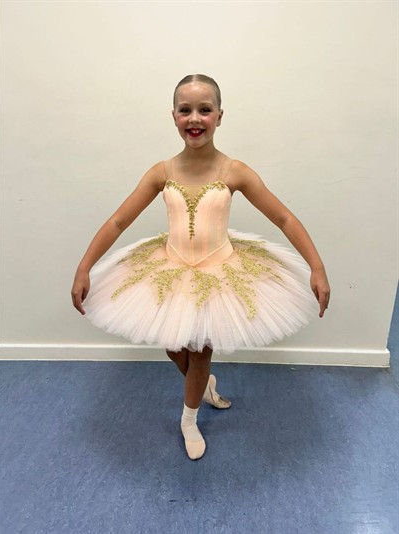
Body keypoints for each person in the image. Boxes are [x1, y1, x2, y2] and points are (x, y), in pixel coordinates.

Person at [71, 74, 330, 461]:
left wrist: (316, 267)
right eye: (185, 110)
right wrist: (85, 266)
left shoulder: (235, 171)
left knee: (200, 352)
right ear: (173, 116)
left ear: (220, 116)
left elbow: (284, 218)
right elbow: (118, 221)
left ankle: (189, 419)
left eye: (205, 110)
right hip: (170, 269)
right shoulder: (161, 172)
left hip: (219, 272)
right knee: (175, 347)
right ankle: (203, 384)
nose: (195, 118)